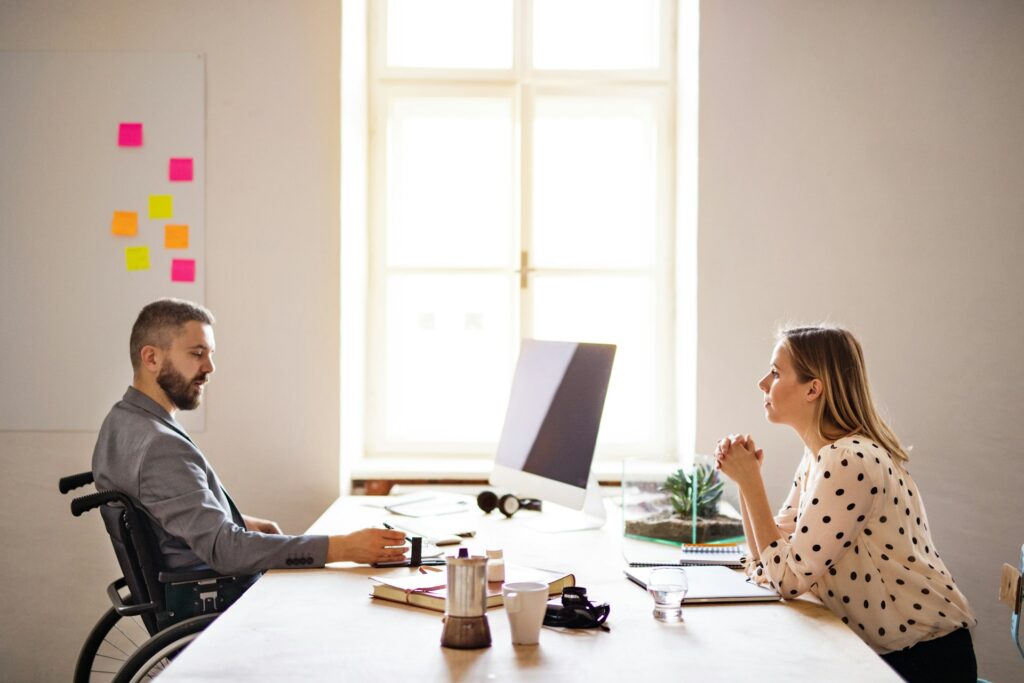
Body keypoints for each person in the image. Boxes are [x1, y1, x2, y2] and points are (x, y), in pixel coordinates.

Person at [714, 325, 977, 682]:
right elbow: (770, 563)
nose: (763, 383)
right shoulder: (819, 457)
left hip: (924, 660)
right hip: (893, 654)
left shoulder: (847, 460)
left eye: (776, 373)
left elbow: (787, 578)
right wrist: (746, 484)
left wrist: (750, 482)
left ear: (813, 388)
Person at [92, 298, 407, 577]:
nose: (210, 367)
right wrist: (342, 548)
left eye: (210, 353)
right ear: (151, 359)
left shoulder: (122, 422)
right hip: (213, 593)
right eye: (196, 353)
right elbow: (226, 551)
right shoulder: (160, 446)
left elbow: (169, 510)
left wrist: (236, 519)